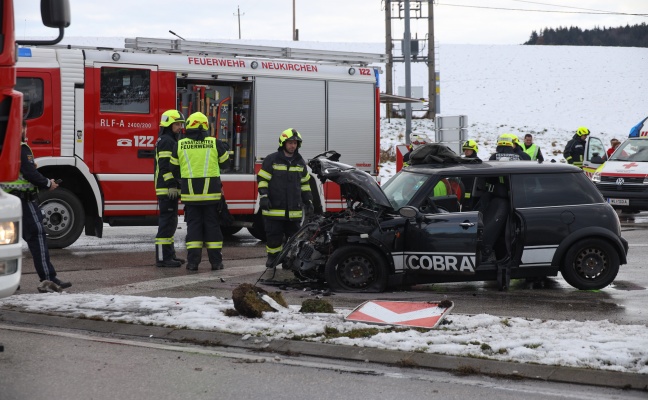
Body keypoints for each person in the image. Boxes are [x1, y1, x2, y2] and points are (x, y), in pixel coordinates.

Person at [0, 121, 71, 293]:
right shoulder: (20, 148)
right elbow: (30, 174)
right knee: (37, 236)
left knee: (8, 242)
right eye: (24, 128)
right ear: (20, 128)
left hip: (8, 201)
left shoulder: (5, 146)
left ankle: (7, 279)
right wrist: (48, 183)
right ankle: (47, 279)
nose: (25, 131)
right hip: (24, 201)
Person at [170, 112, 230, 271]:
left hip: (190, 197)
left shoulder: (180, 144)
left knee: (194, 230)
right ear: (205, 126)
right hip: (212, 197)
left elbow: (173, 169)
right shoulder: (215, 143)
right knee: (213, 229)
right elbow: (225, 164)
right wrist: (223, 149)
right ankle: (216, 263)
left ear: (188, 126)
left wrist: (183, 180)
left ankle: (192, 263)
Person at [258, 128, 314, 269]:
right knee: (274, 237)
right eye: (290, 142)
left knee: (294, 238)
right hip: (274, 209)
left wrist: (308, 200)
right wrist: (264, 197)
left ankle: (289, 260)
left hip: (293, 210)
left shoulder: (300, 162)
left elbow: (305, 183)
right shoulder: (272, 160)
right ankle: (273, 259)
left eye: (295, 143)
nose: (292, 146)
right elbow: (262, 180)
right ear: (283, 143)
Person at [154, 109, 185, 268]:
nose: (180, 127)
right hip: (167, 189)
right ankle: (162, 258)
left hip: (167, 189)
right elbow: (165, 167)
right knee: (166, 224)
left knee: (171, 223)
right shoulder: (167, 141)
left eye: (181, 124)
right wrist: (172, 185)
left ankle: (170, 255)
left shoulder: (167, 139)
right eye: (177, 124)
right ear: (168, 124)